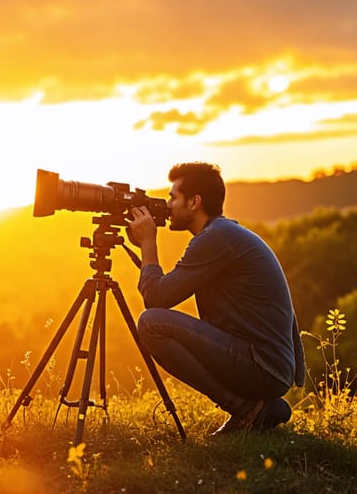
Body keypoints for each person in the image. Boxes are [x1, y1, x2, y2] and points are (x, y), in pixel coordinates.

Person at [126, 162, 305, 436]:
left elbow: (156, 299)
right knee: (155, 321)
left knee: (151, 324)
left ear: (195, 202)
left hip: (263, 365)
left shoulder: (216, 238)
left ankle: (244, 410)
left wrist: (148, 244)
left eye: (174, 197)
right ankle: (259, 409)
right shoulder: (225, 233)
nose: (168, 203)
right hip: (270, 365)